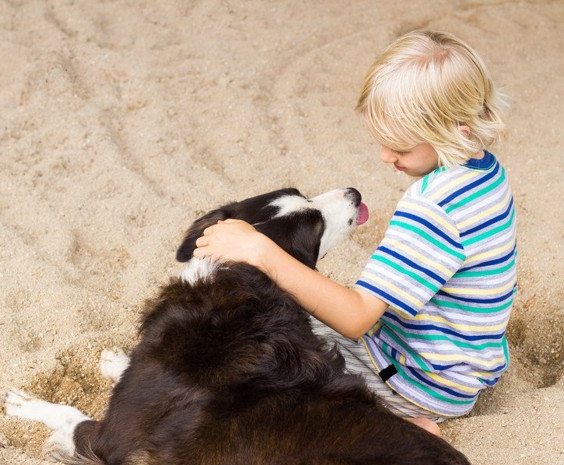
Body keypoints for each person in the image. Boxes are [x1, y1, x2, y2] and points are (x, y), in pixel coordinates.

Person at [193, 30, 516, 436]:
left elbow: (355, 317)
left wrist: (260, 250)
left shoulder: (432, 207)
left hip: (416, 379)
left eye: (398, 146)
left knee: (267, 347)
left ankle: (402, 427)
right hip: (462, 366)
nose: (385, 156)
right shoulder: (486, 173)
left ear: (459, 130)